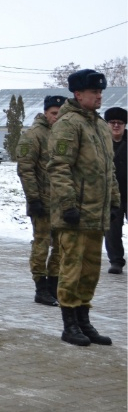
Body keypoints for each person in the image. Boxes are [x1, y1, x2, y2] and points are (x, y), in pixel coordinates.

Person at [47, 69, 119, 347]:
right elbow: (59, 167)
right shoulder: (69, 124)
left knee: (90, 271)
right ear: (78, 95)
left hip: (96, 213)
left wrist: (113, 201)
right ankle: (69, 324)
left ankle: (84, 320)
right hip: (74, 214)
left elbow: (107, 170)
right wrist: (67, 204)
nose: (99, 96)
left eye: (100, 92)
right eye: (94, 92)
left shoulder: (100, 126)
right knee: (72, 268)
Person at [16, 95, 65, 306]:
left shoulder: (66, 134)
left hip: (63, 202)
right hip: (42, 201)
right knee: (42, 244)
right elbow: (25, 169)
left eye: (61, 113)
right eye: (54, 113)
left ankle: (54, 286)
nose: (57, 117)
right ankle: (40, 286)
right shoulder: (33, 135)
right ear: (46, 113)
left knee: (61, 246)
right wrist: (34, 199)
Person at [103, 106, 126, 274]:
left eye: (120, 123)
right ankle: (116, 261)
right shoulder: (101, 143)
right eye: (112, 122)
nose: (116, 126)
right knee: (112, 230)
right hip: (111, 193)